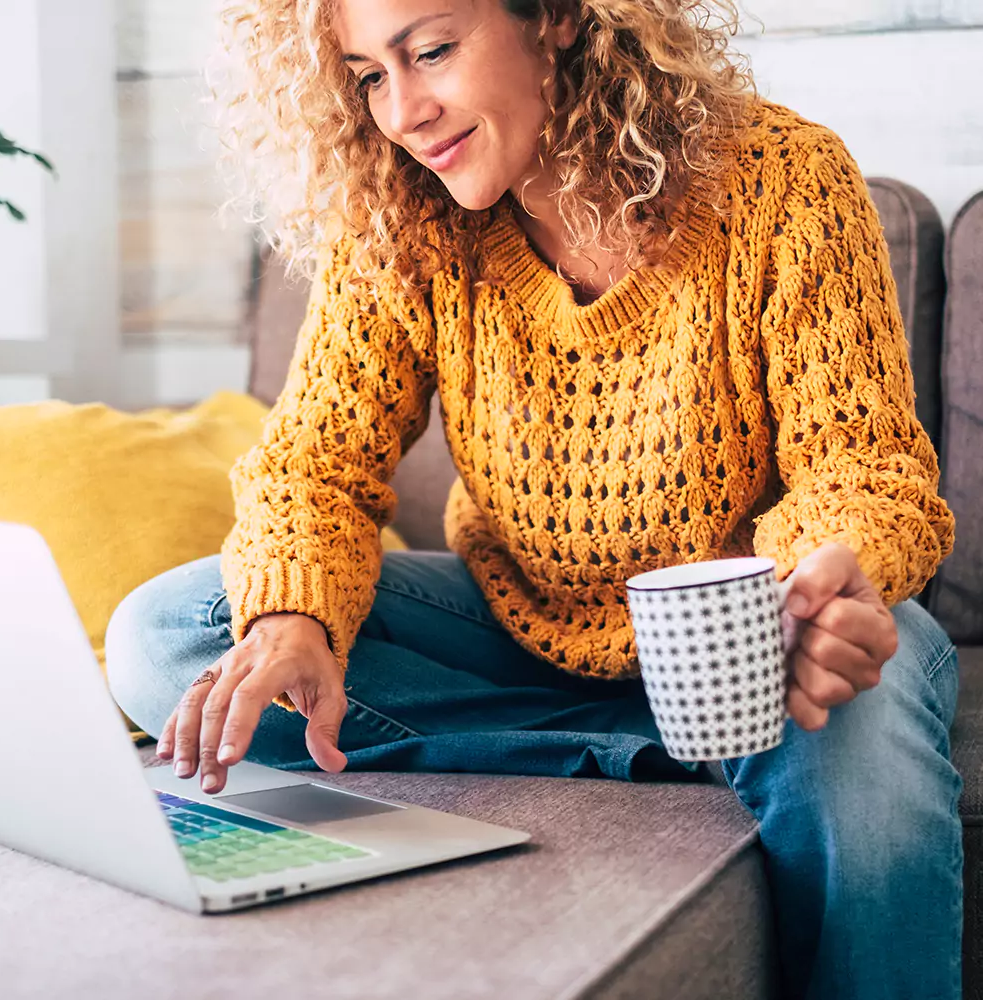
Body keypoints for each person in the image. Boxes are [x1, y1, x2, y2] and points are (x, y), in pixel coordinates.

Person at [104, 0, 963, 996]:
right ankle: (673, 752)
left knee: (859, 731)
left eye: (429, 51)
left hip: (759, 641)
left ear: (557, 17)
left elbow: (863, 472)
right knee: (168, 634)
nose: (404, 112)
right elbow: (312, 467)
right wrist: (295, 615)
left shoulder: (784, 181)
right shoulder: (401, 215)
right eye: (368, 76)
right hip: (524, 629)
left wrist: (817, 590)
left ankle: (713, 737)